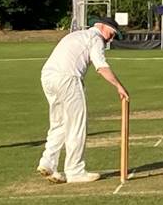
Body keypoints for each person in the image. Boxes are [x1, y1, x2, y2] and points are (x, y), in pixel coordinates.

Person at [36, 17, 130, 184]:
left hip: (48, 77)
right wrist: (119, 86)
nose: (111, 39)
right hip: (68, 78)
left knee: (59, 123)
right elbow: (101, 66)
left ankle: (48, 163)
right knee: (76, 124)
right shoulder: (95, 39)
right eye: (111, 33)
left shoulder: (75, 35)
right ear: (101, 26)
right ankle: (75, 170)